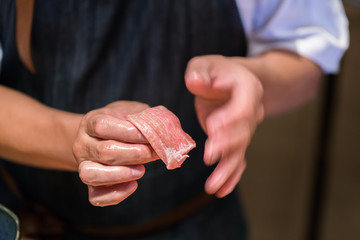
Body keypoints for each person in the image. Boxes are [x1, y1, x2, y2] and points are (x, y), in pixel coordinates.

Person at [0, 0, 349, 239]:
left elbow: (305, 53)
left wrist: (253, 81)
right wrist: (74, 138)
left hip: (194, 223)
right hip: (24, 217)